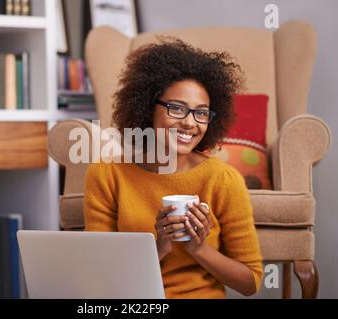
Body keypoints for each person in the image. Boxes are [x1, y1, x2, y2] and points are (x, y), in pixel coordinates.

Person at [84, 38, 263, 298]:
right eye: (177, 108)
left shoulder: (222, 179)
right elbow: (101, 277)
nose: (191, 123)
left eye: (201, 113)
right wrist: (159, 247)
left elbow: (251, 282)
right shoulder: (107, 175)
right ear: (148, 108)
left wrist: (198, 248)